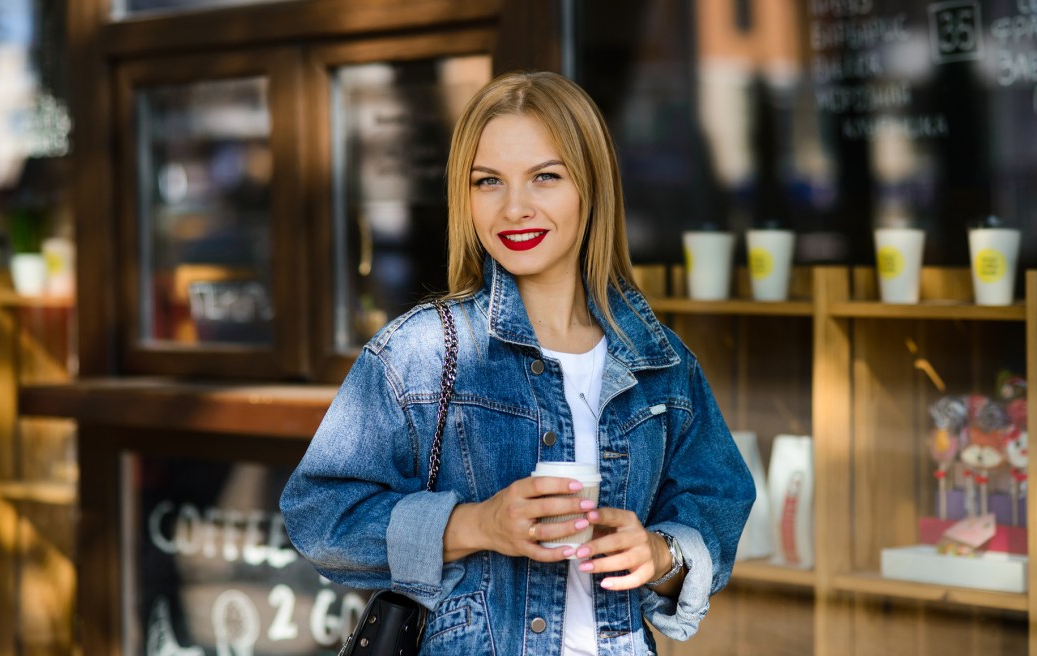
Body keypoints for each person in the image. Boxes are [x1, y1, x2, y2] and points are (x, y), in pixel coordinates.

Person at [281, 70, 755, 656]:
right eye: (488, 182)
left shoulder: (660, 363)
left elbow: (719, 504)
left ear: (591, 187)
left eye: (545, 177)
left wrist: (661, 554)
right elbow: (317, 514)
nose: (514, 209)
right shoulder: (421, 352)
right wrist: (476, 524)